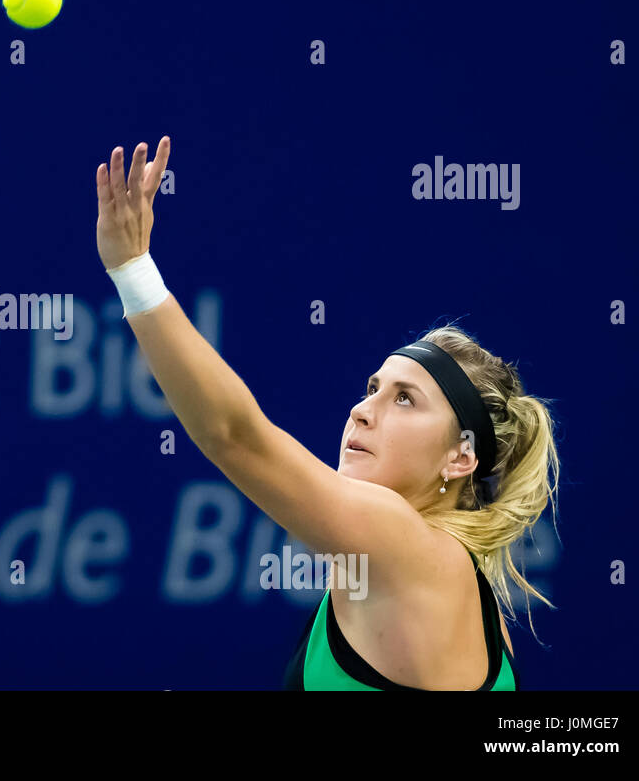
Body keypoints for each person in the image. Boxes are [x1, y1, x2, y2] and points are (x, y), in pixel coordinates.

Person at [95, 138, 560, 690]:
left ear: (461, 456)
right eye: (372, 388)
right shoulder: (476, 611)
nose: (363, 411)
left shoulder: (402, 545)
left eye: (404, 398)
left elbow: (235, 437)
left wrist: (133, 271)